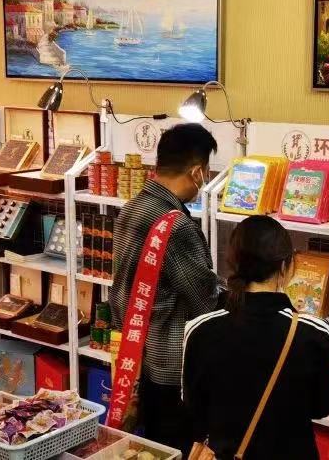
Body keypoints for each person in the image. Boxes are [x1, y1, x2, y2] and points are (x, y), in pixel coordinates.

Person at [182, 216, 329, 460]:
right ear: (285, 267)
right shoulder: (313, 332)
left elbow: (194, 409)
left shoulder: (200, 330)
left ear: (234, 264)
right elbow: (322, 407)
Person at [109, 123, 219, 452]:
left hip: (135, 351)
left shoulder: (132, 207)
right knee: (175, 446)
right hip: (170, 362)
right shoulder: (176, 225)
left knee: (148, 446)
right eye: (206, 171)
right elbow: (203, 299)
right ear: (197, 171)